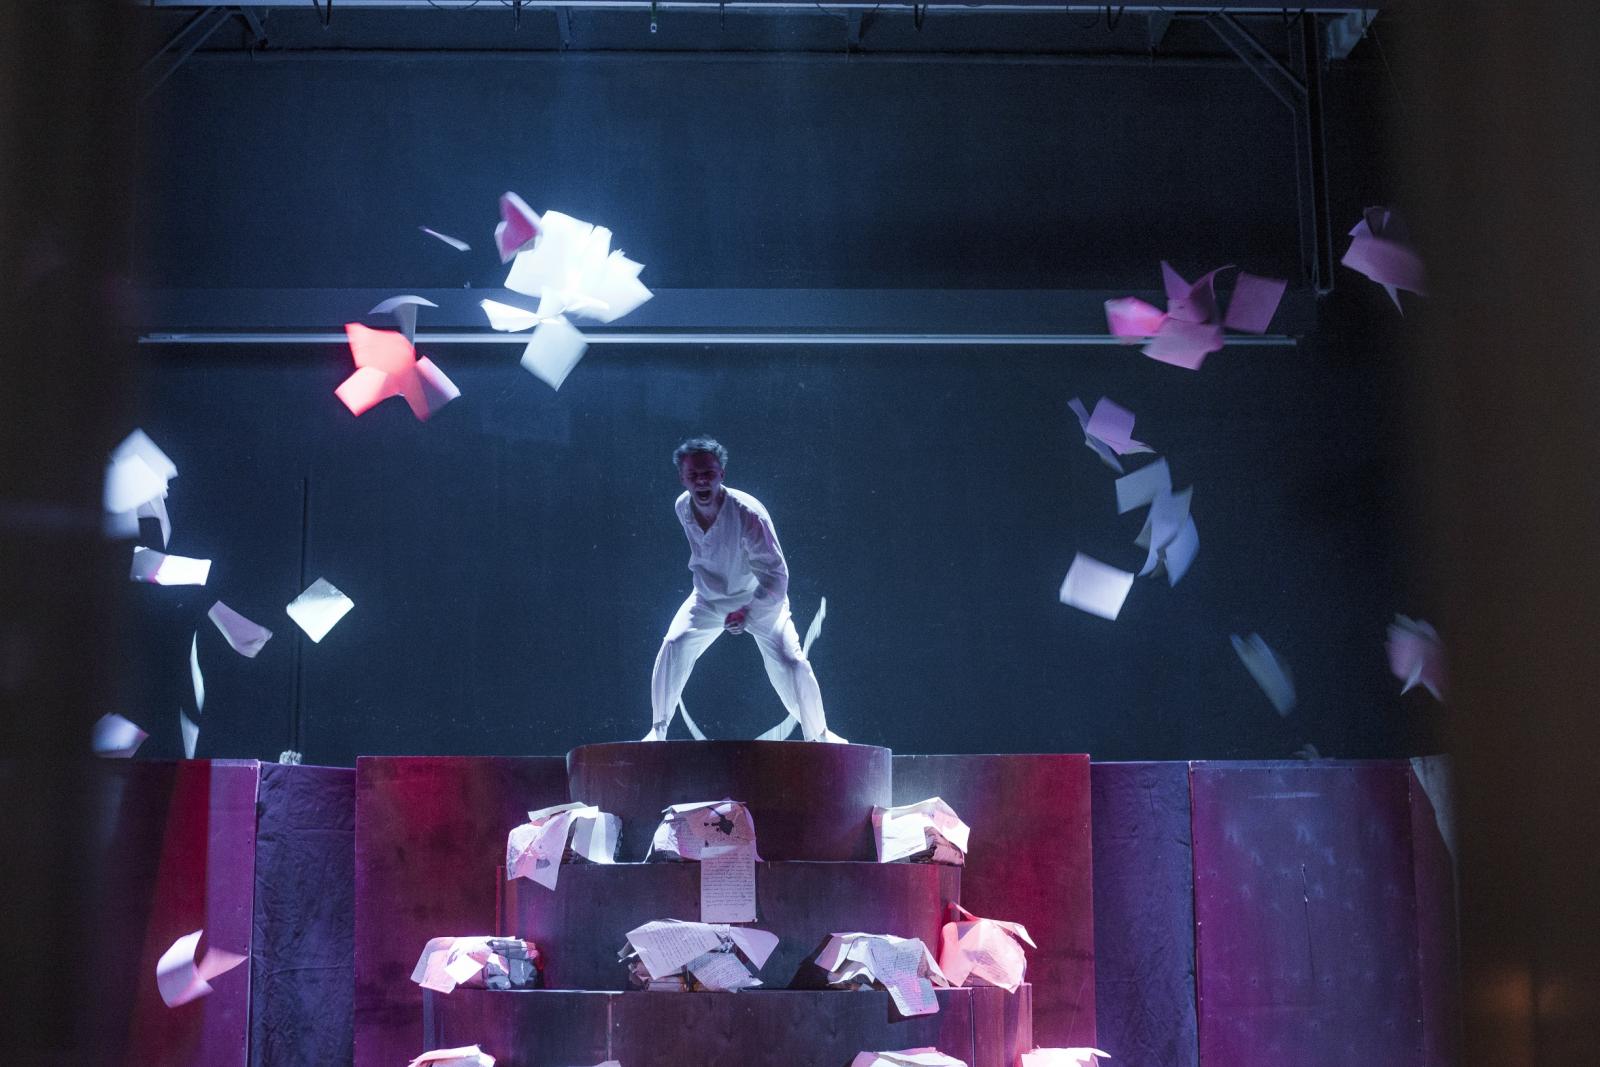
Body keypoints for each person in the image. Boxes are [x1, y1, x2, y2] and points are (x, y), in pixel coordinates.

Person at [645, 437, 831, 742]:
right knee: (674, 645)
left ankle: (820, 737)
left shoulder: (749, 514)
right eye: (693, 475)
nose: (701, 481)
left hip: (759, 597)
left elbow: (777, 575)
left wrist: (748, 611)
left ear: (722, 474)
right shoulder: (682, 507)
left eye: (709, 473)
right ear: (682, 478)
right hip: (707, 599)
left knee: (792, 663)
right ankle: (657, 731)